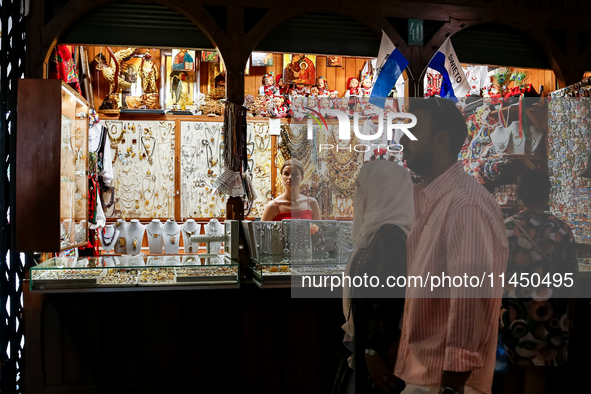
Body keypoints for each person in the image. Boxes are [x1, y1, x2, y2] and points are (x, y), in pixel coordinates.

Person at [396, 97, 509, 394]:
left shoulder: (464, 205)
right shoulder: (437, 199)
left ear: (440, 140)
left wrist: (452, 384)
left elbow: (471, 297)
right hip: (429, 375)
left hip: (446, 382)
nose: (401, 140)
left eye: (412, 132)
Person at [332, 159, 414, 394]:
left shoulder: (390, 236)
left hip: (380, 355)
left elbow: (390, 297)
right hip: (371, 347)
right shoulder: (381, 234)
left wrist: (372, 350)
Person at [500, 170, 577, 394]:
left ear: (520, 195)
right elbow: (571, 280)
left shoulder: (505, 229)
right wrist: (572, 317)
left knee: (511, 371)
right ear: (548, 194)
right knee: (538, 372)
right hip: (550, 314)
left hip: (514, 313)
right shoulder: (562, 230)